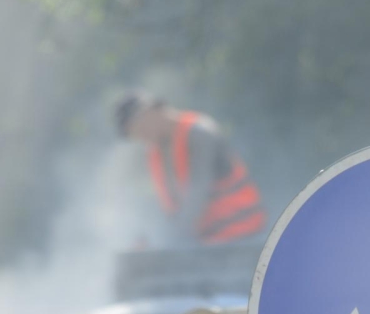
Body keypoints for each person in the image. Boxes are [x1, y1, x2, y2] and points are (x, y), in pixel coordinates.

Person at [114, 94, 268, 248]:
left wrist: (165, 243)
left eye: (142, 129)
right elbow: (170, 211)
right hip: (206, 245)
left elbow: (197, 196)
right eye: (138, 136)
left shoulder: (200, 133)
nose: (144, 138)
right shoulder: (156, 151)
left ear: (152, 111)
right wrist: (150, 239)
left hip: (244, 238)